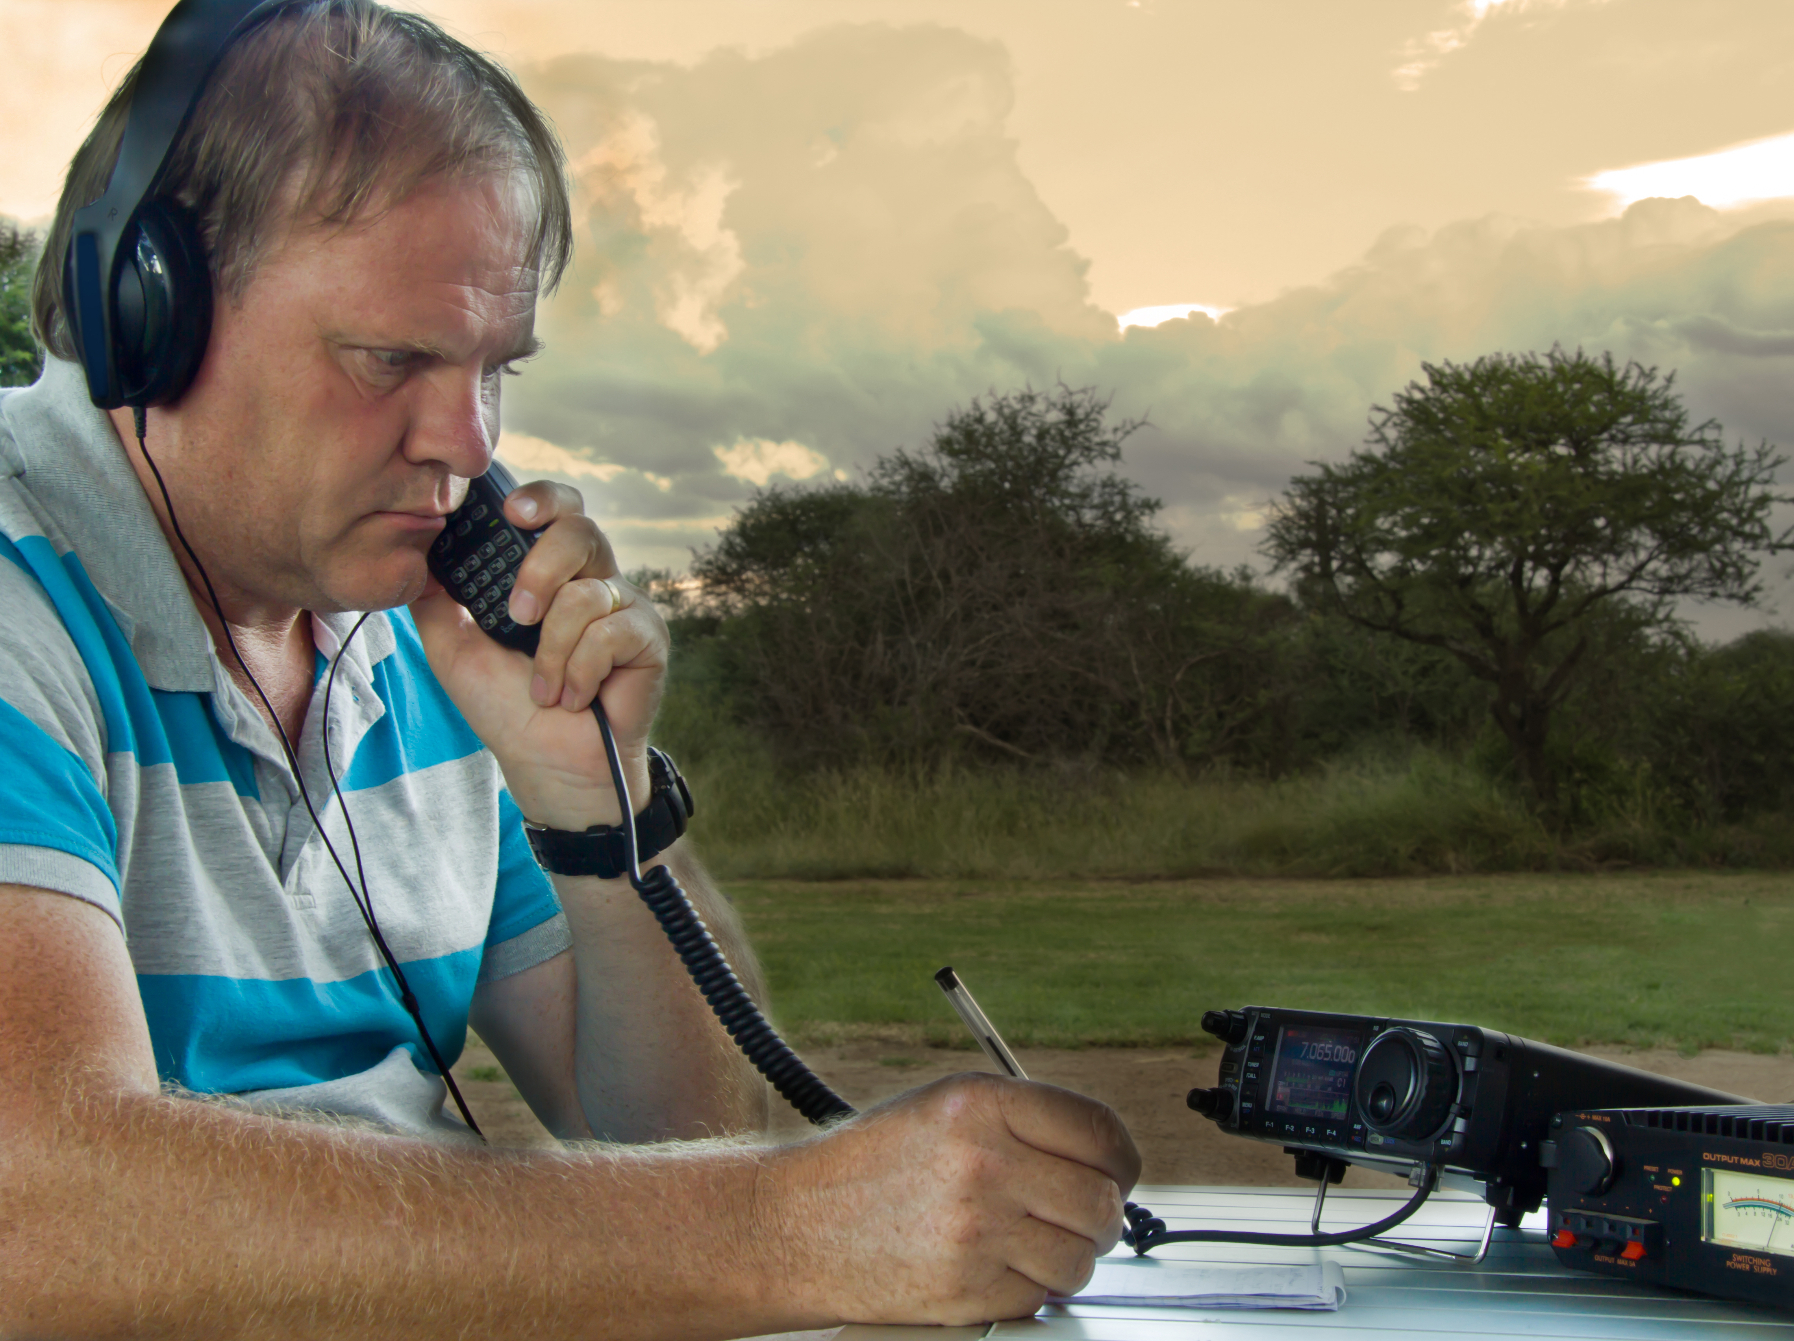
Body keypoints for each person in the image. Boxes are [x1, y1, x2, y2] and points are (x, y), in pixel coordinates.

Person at [0, 3, 1139, 1336]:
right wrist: (784, 1224)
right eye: (393, 360)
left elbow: (671, 1136)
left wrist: (593, 804)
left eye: (497, 367)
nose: (465, 443)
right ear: (149, 308)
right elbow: (38, 1210)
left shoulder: (423, 625)